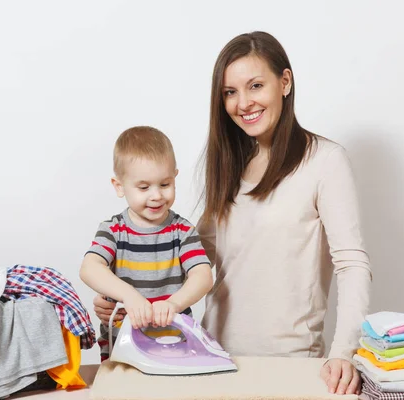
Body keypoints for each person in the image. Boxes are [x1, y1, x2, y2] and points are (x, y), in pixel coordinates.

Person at [93, 32, 371, 394]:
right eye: (230, 92)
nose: (243, 103)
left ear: (284, 82)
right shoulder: (231, 163)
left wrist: (344, 352)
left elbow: (351, 263)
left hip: (290, 361)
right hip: (209, 355)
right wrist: (123, 294)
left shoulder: (325, 161)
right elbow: (191, 254)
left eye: (256, 85)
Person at [80, 126, 213, 362]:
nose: (156, 195)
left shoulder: (183, 232)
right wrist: (129, 296)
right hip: (122, 345)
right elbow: (89, 268)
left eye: (165, 184)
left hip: (174, 344)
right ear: (119, 186)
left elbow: (203, 276)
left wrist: (174, 303)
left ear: (175, 177)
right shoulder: (113, 230)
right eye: (143, 187)